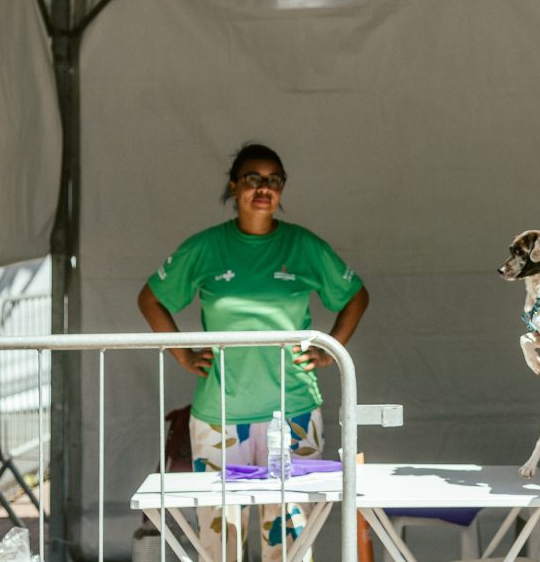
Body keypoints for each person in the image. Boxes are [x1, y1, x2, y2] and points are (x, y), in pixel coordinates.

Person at [137, 143, 370, 562]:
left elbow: (355, 296)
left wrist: (329, 349)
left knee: (289, 544)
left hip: (294, 410)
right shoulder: (205, 247)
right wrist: (183, 355)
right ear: (234, 185)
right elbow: (151, 299)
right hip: (218, 417)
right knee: (219, 545)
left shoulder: (303, 245)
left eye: (274, 180)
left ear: (281, 189)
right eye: (253, 179)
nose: (264, 188)